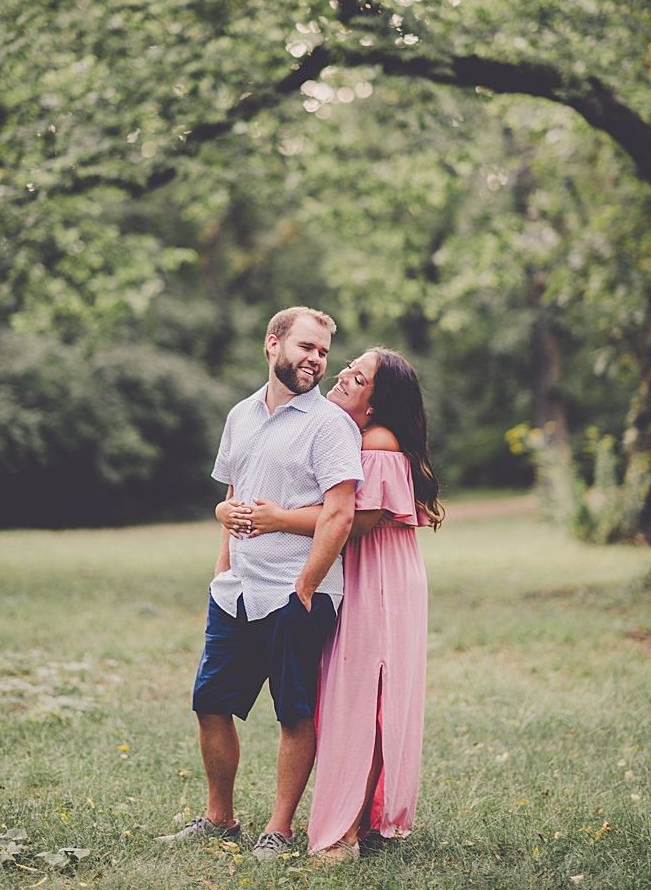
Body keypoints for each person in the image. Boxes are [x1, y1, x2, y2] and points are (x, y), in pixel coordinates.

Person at [216, 348, 442, 860]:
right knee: (348, 701)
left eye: (357, 377)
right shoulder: (351, 436)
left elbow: (357, 523)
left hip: (377, 580)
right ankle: (356, 820)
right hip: (355, 572)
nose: (342, 374)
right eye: (349, 368)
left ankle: (347, 834)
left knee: (366, 702)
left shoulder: (379, 444)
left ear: (377, 403)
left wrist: (277, 517)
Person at [159, 305, 362, 859]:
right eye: (306, 347)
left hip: (299, 592)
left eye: (322, 352)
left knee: (293, 712)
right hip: (237, 589)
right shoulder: (240, 416)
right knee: (209, 702)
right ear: (273, 344)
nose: (316, 360)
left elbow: (340, 513)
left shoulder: (331, 425)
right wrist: (223, 565)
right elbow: (232, 498)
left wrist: (305, 587)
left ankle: (279, 829)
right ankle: (219, 819)